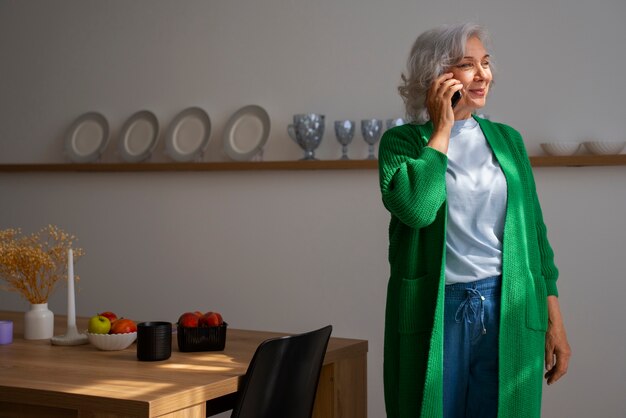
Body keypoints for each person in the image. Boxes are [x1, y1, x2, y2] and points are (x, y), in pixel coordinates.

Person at [378, 23, 571, 418]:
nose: (484, 74)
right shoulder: (402, 144)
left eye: (485, 63)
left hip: (510, 304)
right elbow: (416, 209)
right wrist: (443, 129)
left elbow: (536, 234)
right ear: (436, 76)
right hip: (438, 308)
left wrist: (555, 320)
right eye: (468, 65)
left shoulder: (508, 140)